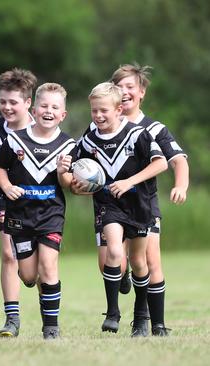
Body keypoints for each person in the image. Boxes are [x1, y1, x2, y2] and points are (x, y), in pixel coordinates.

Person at [73, 82, 167, 334]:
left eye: (103, 110)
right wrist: (74, 182)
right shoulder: (88, 141)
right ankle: (113, 312)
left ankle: (140, 317)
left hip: (139, 205)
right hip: (108, 205)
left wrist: (130, 182)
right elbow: (73, 172)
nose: (98, 116)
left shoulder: (138, 134)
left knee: (138, 262)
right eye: (94, 111)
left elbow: (161, 164)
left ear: (119, 110)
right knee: (114, 250)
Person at [0, 83, 76, 339]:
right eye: (44, 106)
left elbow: (68, 184)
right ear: (34, 109)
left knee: (49, 266)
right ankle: (31, 289)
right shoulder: (16, 139)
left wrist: (64, 172)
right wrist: (6, 187)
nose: (48, 111)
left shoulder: (68, 145)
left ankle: (51, 327)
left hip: (51, 214)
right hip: (20, 215)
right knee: (29, 276)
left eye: (55, 107)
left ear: (63, 114)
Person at [110, 63, 188, 336]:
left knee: (150, 260)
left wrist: (181, 185)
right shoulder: (104, 125)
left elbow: (177, 160)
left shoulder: (154, 128)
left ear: (141, 92)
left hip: (144, 204)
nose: (125, 92)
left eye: (130, 87)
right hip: (111, 207)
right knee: (113, 263)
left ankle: (154, 323)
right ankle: (123, 277)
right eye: (119, 87)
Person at [0, 68, 37, 337]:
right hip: (5, 197)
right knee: (8, 253)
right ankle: (11, 319)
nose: (6, 107)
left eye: (13, 102)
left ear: (28, 103)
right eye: (3, 101)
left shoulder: (42, 124)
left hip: (40, 201)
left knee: (34, 271)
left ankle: (49, 316)